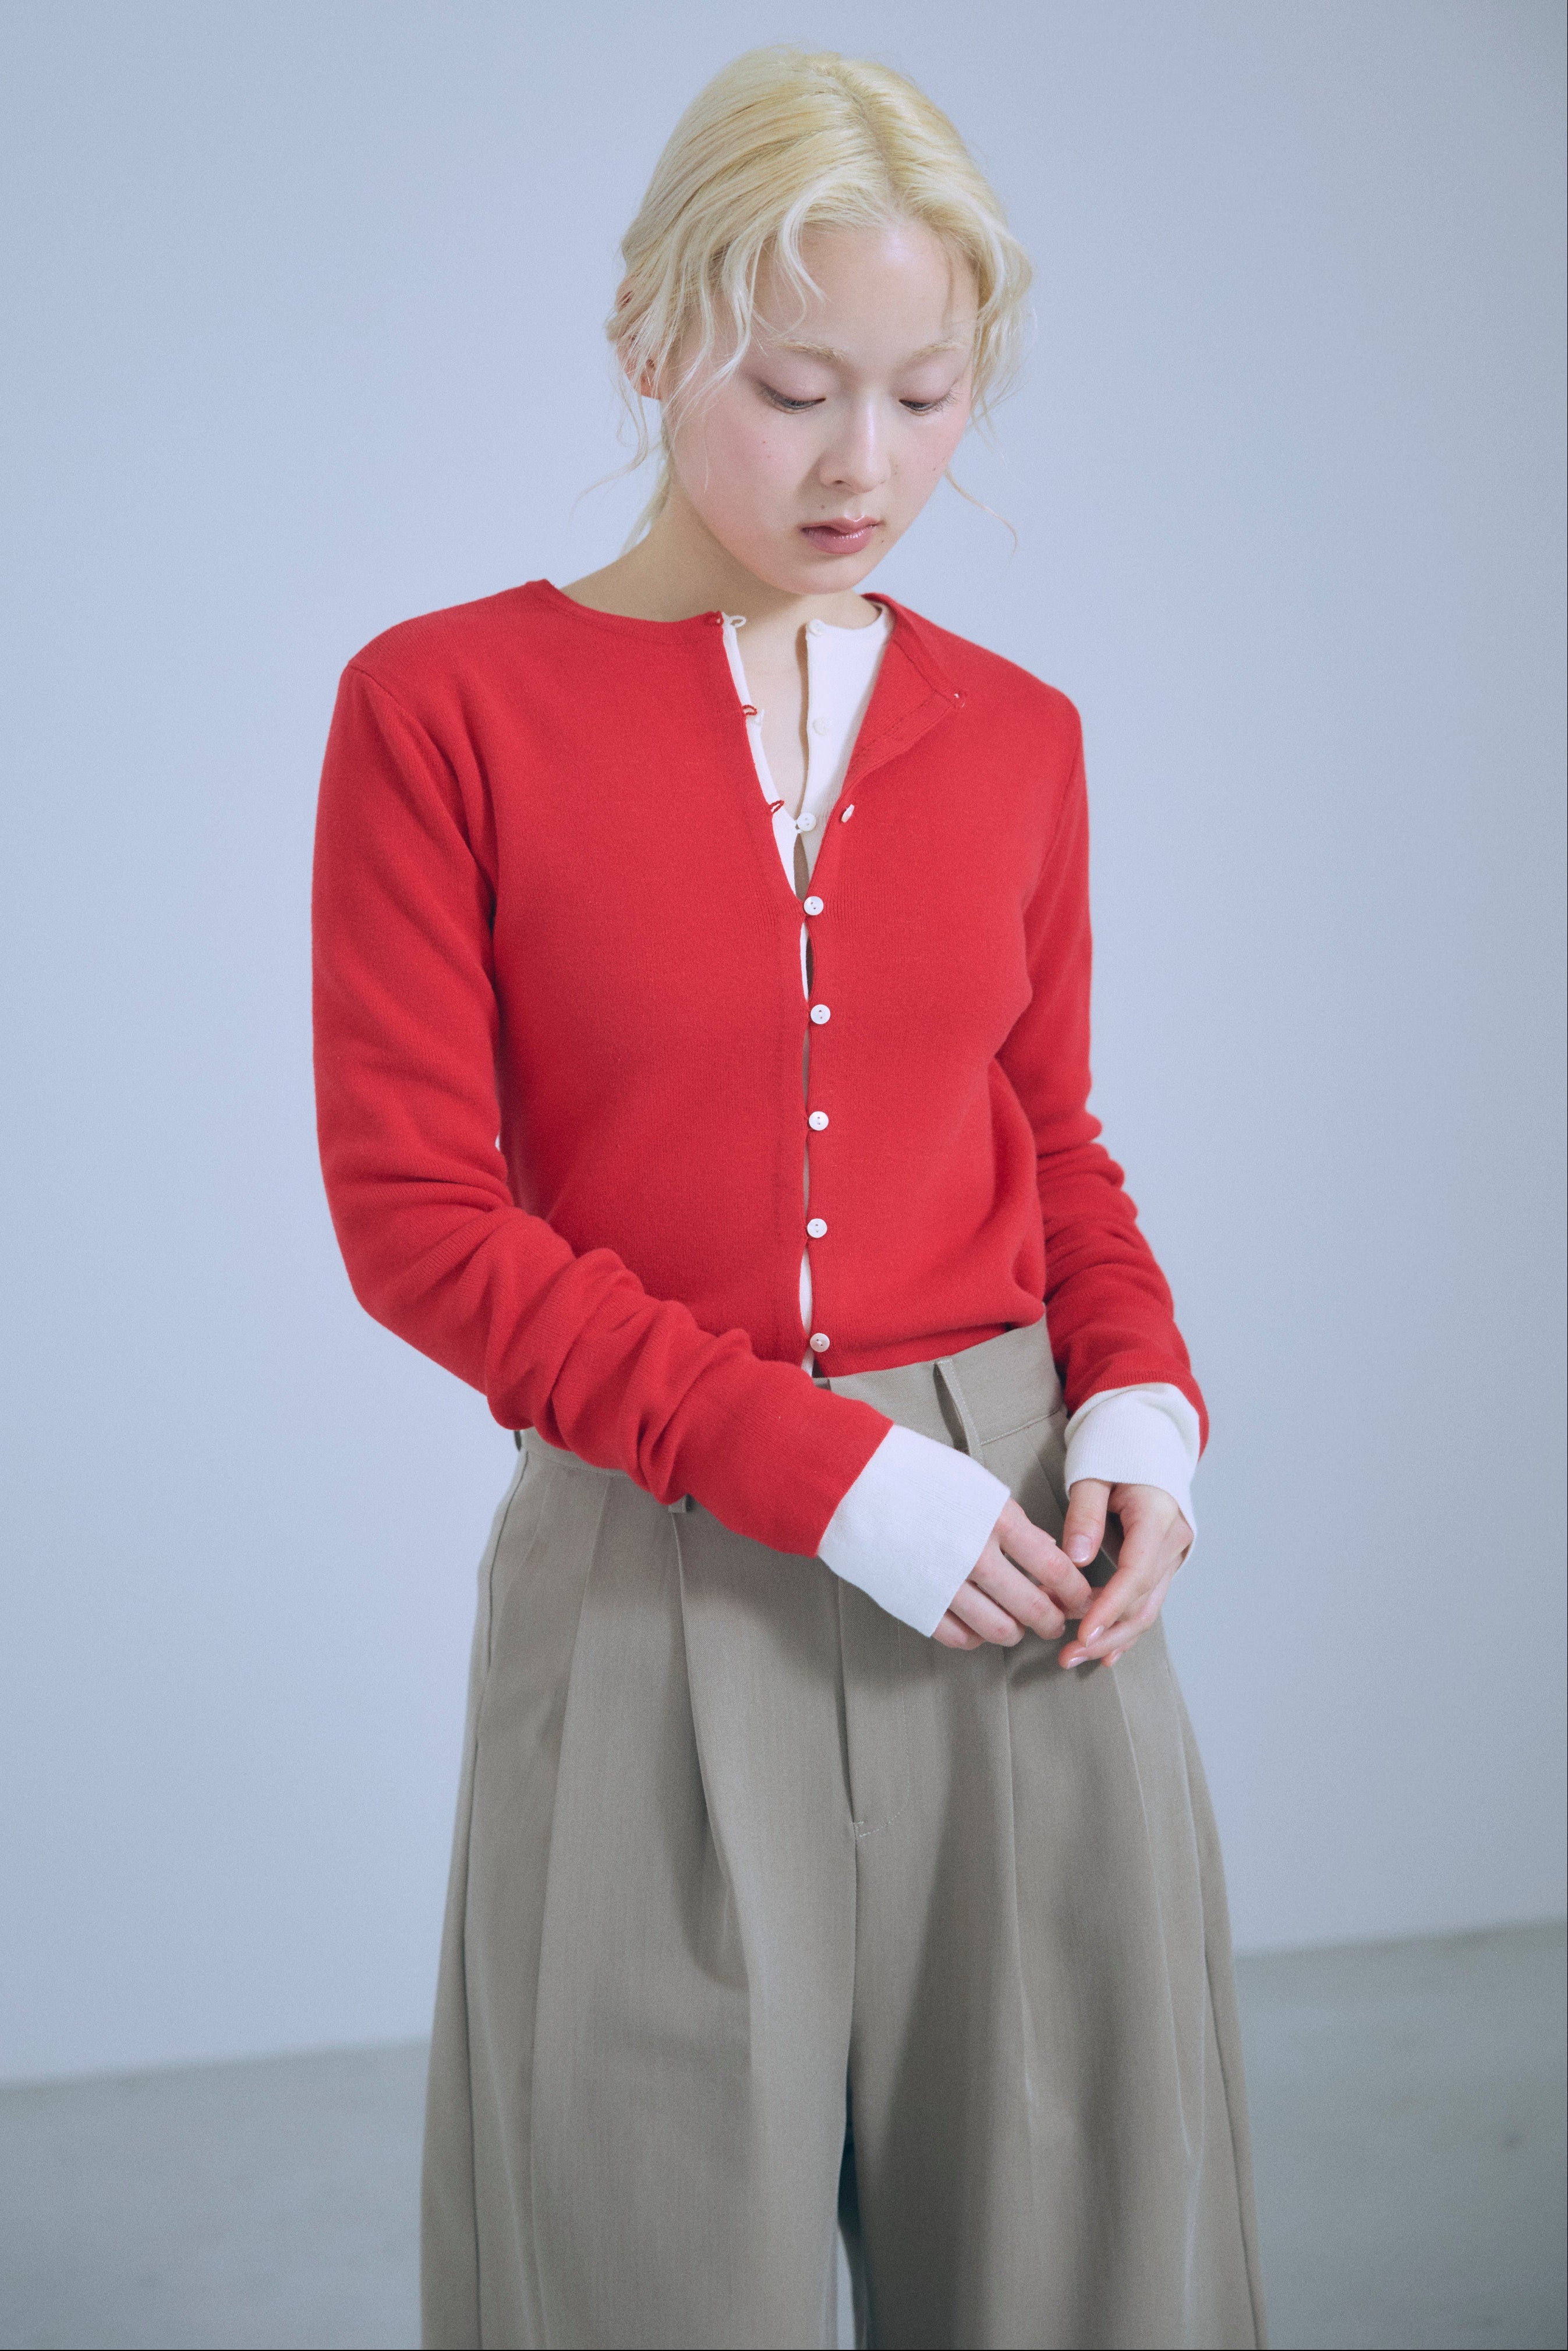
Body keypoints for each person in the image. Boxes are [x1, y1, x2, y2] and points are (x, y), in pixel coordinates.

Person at [312, 44, 1266, 2351]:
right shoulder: (442, 710)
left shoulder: (1018, 734)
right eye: (793, 387)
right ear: (647, 339)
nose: (864, 466)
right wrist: (824, 1473)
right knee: (635, 2273)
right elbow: (421, 1216)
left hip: (1021, 1578)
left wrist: (1142, 1403)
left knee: (1079, 2280)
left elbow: (1046, 1134)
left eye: (925, 397)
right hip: (656, 1578)